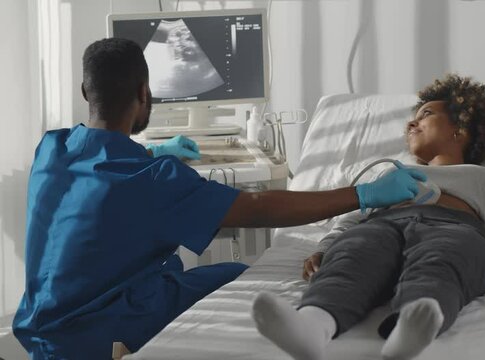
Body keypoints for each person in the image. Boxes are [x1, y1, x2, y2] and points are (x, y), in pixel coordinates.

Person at [12, 38, 427, 360]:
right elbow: (257, 208)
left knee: (187, 267)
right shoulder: (155, 180)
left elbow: (100, 174)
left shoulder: (52, 147)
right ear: (144, 93)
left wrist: (156, 151)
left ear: (86, 91)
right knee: (237, 276)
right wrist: (363, 193)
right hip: (93, 334)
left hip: (40, 325)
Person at [251, 74, 485, 360]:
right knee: (354, 254)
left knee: (442, 262)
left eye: (426, 115)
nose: (411, 123)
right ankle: (312, 326)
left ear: (460, 130)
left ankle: (409, 329)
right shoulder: (391, 174)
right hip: (384, 225)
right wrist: (327, 247)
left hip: (457, 229)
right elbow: (353, 218)